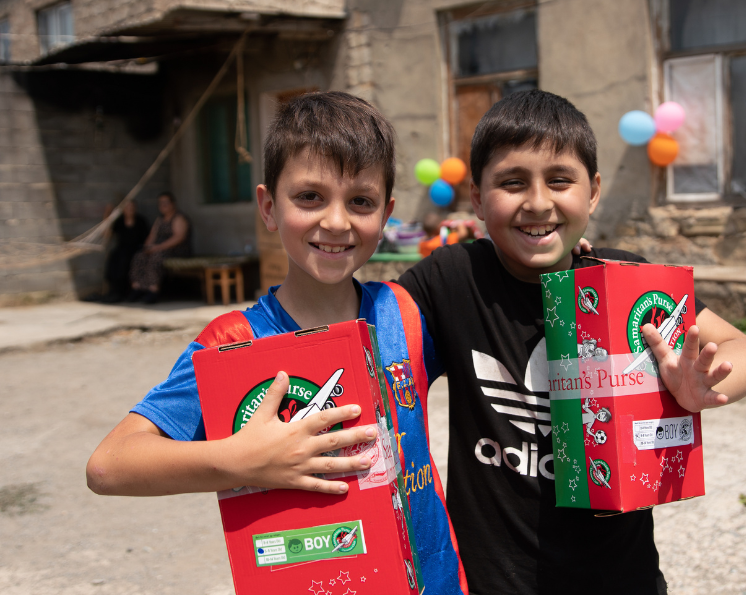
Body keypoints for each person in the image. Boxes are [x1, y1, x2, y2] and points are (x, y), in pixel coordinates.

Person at [86, 92, 467, 594]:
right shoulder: (232, 343)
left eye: (361, 201)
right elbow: (110, 465)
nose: (336, 221)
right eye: (309, 196)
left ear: (386, 213)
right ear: (268, 206)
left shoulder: (405, 312)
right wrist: (241, 460)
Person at [397, 90, 746, 594]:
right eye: (512, 182)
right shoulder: (450, 279)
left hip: (620, 578)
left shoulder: (624, 278)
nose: (537, 202)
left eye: (559, 181)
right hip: (492, 582)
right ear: (478, 198)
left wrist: (696, 386)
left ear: (592, 192)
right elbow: (362, 344)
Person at [128, 192, 192, 304]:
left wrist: (158, 247)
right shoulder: (160, 219)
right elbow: (152, 236)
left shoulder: (179, 218)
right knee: (139, 256)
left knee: (156, 257)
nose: (163, 205)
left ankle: (153, 290)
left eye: (166, 203)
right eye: (160, 203)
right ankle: (137, 288)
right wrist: (147, 247)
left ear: (173, 204)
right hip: (159, 248)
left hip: (176, 250)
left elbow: (178, 238)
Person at [102, 199, 150, 303]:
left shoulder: (141, 221)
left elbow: (147, 239)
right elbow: (106, 234)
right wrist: (107, 215)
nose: (130, 209)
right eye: (128, 207)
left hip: (136, 249)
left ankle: (123, 292)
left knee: (125, 259)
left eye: (132, 207)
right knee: (114, 257)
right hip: (122, 249)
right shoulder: (120, 221)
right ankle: (114, 291)